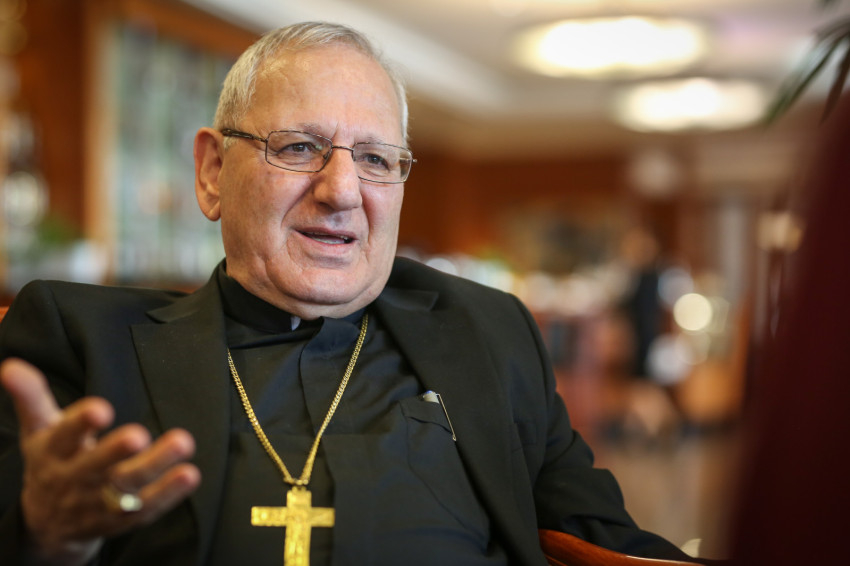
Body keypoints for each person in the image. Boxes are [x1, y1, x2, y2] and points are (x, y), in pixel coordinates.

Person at [0, 22, 692, 566]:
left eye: (375, 159)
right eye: (298, 147)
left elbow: (611, 544)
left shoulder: (488, 333)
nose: (341, 191)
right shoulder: (80, 340)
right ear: (212, 172)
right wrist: (44, 534)